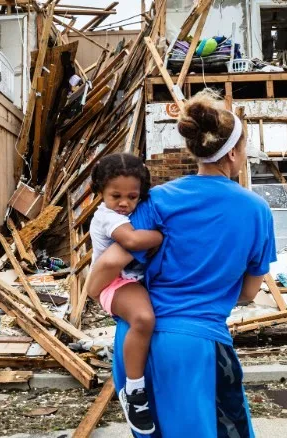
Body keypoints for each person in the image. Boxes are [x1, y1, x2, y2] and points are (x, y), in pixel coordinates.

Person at [86, 89, 276, 437]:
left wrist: (95, 291)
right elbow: (250, 292)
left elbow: (110, 261)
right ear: (232, 152)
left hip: (137, 344)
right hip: (198, 345)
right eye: (244, 149)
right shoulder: (256, 210)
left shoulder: (157, 200)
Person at [87, 153, 162, 434]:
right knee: (143, 319)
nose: (124, 203)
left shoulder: (135, 210)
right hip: (114, 284)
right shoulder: (107, 216)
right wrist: (161, 236)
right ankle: (134, 391)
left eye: (132, 196)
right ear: (100, 193)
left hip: (132, 281)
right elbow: (131, 240)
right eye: (115, 195)